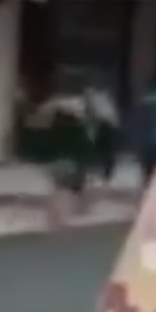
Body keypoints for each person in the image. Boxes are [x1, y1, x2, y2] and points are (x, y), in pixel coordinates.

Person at [24, 73, 98, 228]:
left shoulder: (52, 119)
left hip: (53, 157)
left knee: (57, 187)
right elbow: (84, 142)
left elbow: (37, 130)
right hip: (69, 158)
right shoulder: (76, 127)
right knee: (64, 189)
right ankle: (61, 218)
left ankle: (52, 216)